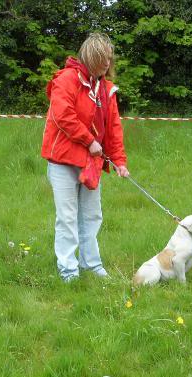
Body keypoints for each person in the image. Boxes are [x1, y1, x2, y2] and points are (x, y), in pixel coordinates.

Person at [41, 33, 130, 282]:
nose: (106, 64)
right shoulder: (66, 80)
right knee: (67, 218)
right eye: (102, 59)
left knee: (92, 215)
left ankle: (91, 264)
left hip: (91, 163)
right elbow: (62, 115)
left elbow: (113, 127)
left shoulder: (106, 89)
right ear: (90, 57)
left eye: (109, 60)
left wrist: (119, 161)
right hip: (62, 162)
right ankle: (68, 270)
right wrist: (89, 141)